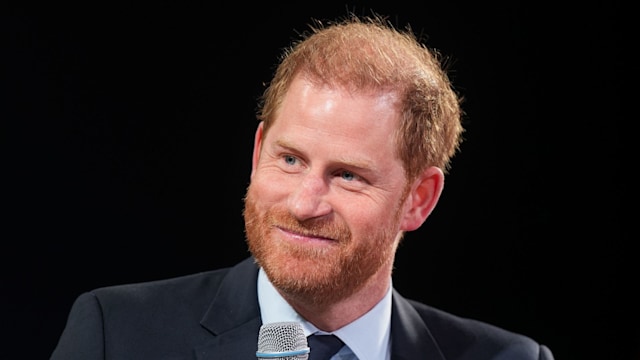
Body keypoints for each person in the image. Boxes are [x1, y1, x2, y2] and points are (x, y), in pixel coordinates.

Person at [50, 13, 554, 360]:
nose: (304, 203)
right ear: (257, 151)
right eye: (290, 159)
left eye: (348, 176)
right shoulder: (114, 335)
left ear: (418, 199)